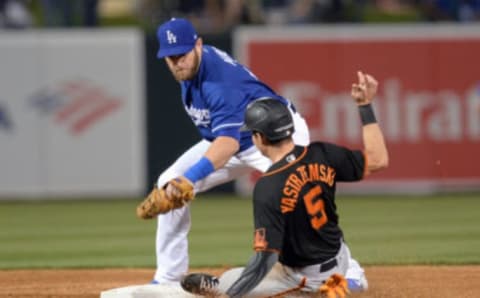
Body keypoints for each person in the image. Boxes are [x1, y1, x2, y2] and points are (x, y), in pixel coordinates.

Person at [145, 17, 369, 292]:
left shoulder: (219, 83)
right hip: (240, 137)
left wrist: (190, 179)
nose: (177, 62)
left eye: (182, 54)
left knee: (299, 201)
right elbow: (225, 141)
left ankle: (351, 269)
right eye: (170, 57)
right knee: (169, 180)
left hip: (276, 136)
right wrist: (183, 180)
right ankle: (168, 277)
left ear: (199, 45)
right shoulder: (192, 69)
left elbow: (226, 145)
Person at [180, 71, 388, 298]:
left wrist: (231, 296)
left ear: (259, 138)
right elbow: (378, 160)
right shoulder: (322, 153)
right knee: (241, 277)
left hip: (305, 277)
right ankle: (350, 277)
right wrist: (365, 105)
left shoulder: (268, 186)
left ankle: (339, 288)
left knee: (229, 283)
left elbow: (264, 260)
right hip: (339, 255)